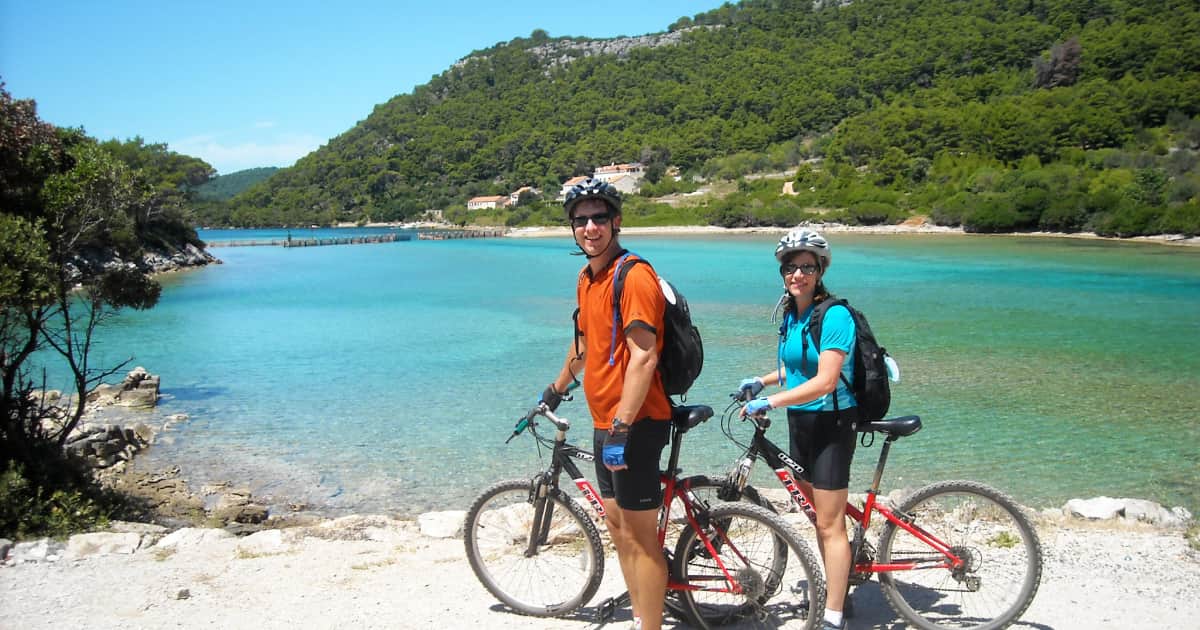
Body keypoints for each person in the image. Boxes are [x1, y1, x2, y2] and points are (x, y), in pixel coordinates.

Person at [538, 177, 672, 630]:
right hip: (605, 423)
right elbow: (583, 349)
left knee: (640, 537)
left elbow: (645, 355)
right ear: (572, 228)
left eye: (599, 218)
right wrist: (555, 389)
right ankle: (640, 616)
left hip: (634, 425)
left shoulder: (633, 276)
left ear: (616, 222)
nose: (590, 227)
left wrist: (621, 427)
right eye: (581, 220)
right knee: (620, 531)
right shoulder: (587, 278)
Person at [737, 227, 858, 630]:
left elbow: (825, 380)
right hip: (800, 420)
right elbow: (796, 367)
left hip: (831, 423)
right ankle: (843, 582)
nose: (798, 275)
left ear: (820, 270)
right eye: (791, 267)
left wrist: (769, 401)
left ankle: (835, 616)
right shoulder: (793, 314)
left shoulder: (835, 314)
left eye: (807, 267)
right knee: (816, 515)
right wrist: (763, 380)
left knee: (829, 523)